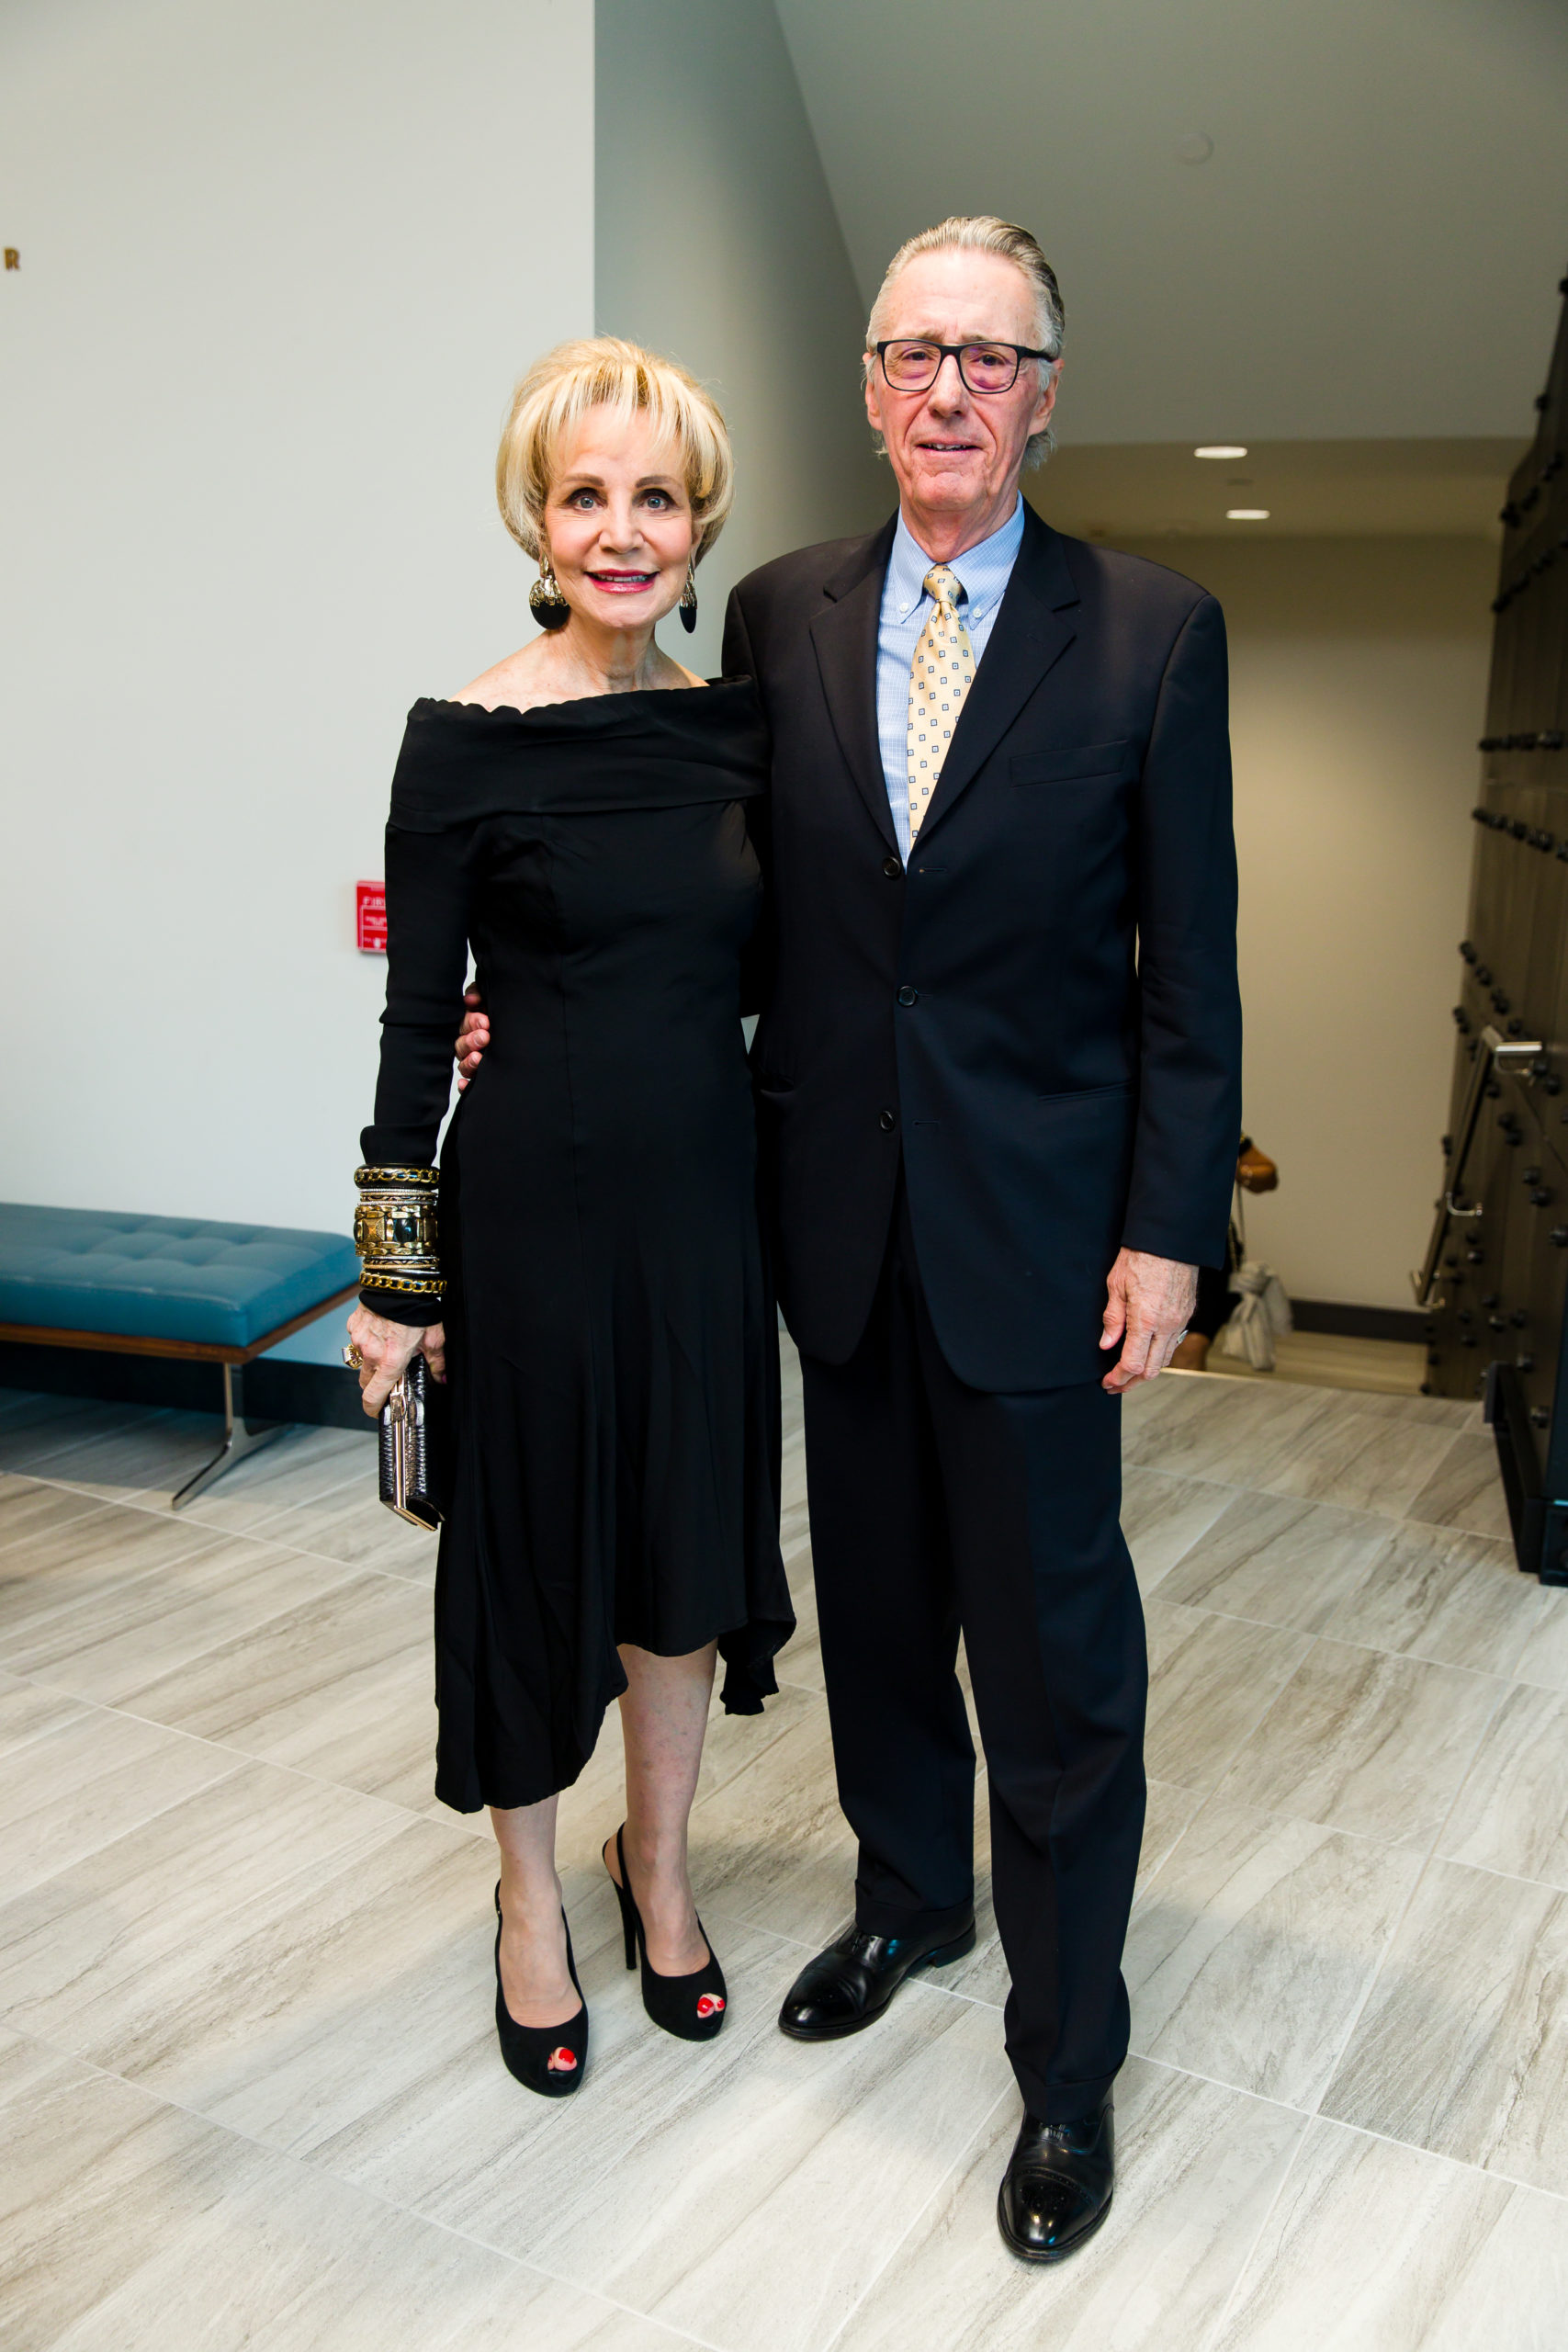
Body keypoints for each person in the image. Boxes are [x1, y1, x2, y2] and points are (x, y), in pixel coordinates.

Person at [457, 216, 1241, 2256]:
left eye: (992, 358)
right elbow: (709, 884)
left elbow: (1190, 975)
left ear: (1045, 391)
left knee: (1057, 1666)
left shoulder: (1150, 631)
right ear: (868, 383)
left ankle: (1065, 2063)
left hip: (1044, 1243)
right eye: (915, 353)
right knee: (878, 1609)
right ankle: (910, 1894)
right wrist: (527, 984)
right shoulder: (783, 613)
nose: (951, 390)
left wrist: (1167, 1232)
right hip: (827, 1214)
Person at [346, 338, 794, 2100]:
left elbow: (781, 977)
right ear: (538, 516)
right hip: (523, 1211)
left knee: (681, 1557)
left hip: (701, 1216)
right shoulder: (460, 741)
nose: (624, 530)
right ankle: (530, 1900)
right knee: (530, 1569)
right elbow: (411, 1023)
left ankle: (657, 1872)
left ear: (700, 520)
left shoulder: (737, 735)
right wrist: (396, 1277)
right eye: (586, 495)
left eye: (657, 497)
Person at [1172, 1136, 1280, 1371]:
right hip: (1130, 1242)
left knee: (1190, 1344)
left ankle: (1182, 1405)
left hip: (1203, 1250)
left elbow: (1268, 1175)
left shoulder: (1208, 1118)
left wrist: (1240, 1171)